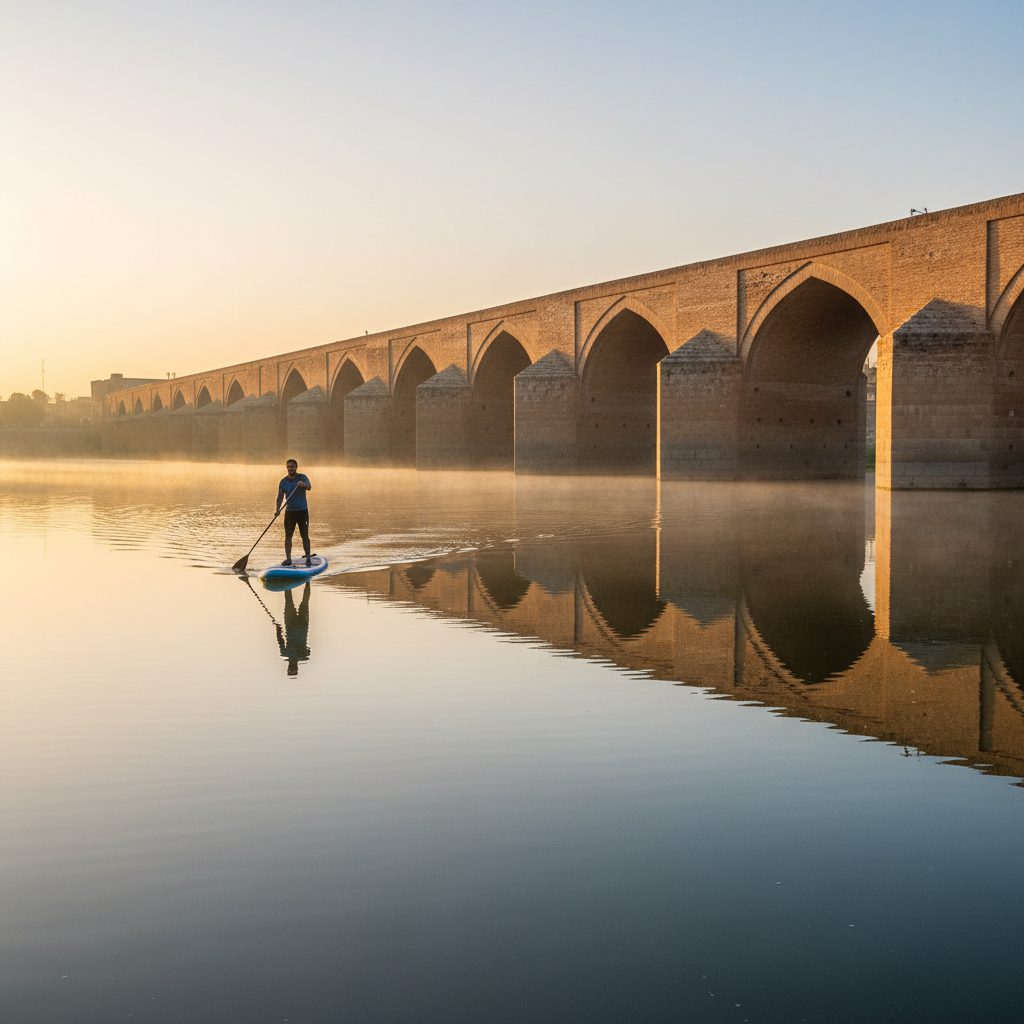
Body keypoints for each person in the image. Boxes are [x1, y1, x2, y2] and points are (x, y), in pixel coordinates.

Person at [277, 458, 312, 566]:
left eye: (292, 466)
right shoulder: (283, 482)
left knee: (304, 536)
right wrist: (277, 509)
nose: (290, 468)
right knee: (288, 536)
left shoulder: (302, 477)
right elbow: (279, 497)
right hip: (290, 513)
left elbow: (309, 487)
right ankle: (288, 559)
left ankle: (308, 558)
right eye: (288, 467)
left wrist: (303, 485)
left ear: (296, 467)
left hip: (302, 512)